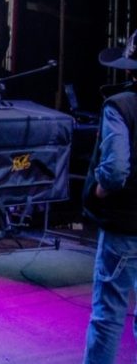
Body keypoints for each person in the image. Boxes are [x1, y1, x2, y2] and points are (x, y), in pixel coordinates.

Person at [82, 30, 137, 364]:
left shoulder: (121, 105)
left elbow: (115, 170)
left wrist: (99, 189)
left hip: (125, 226)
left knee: (108, 317)